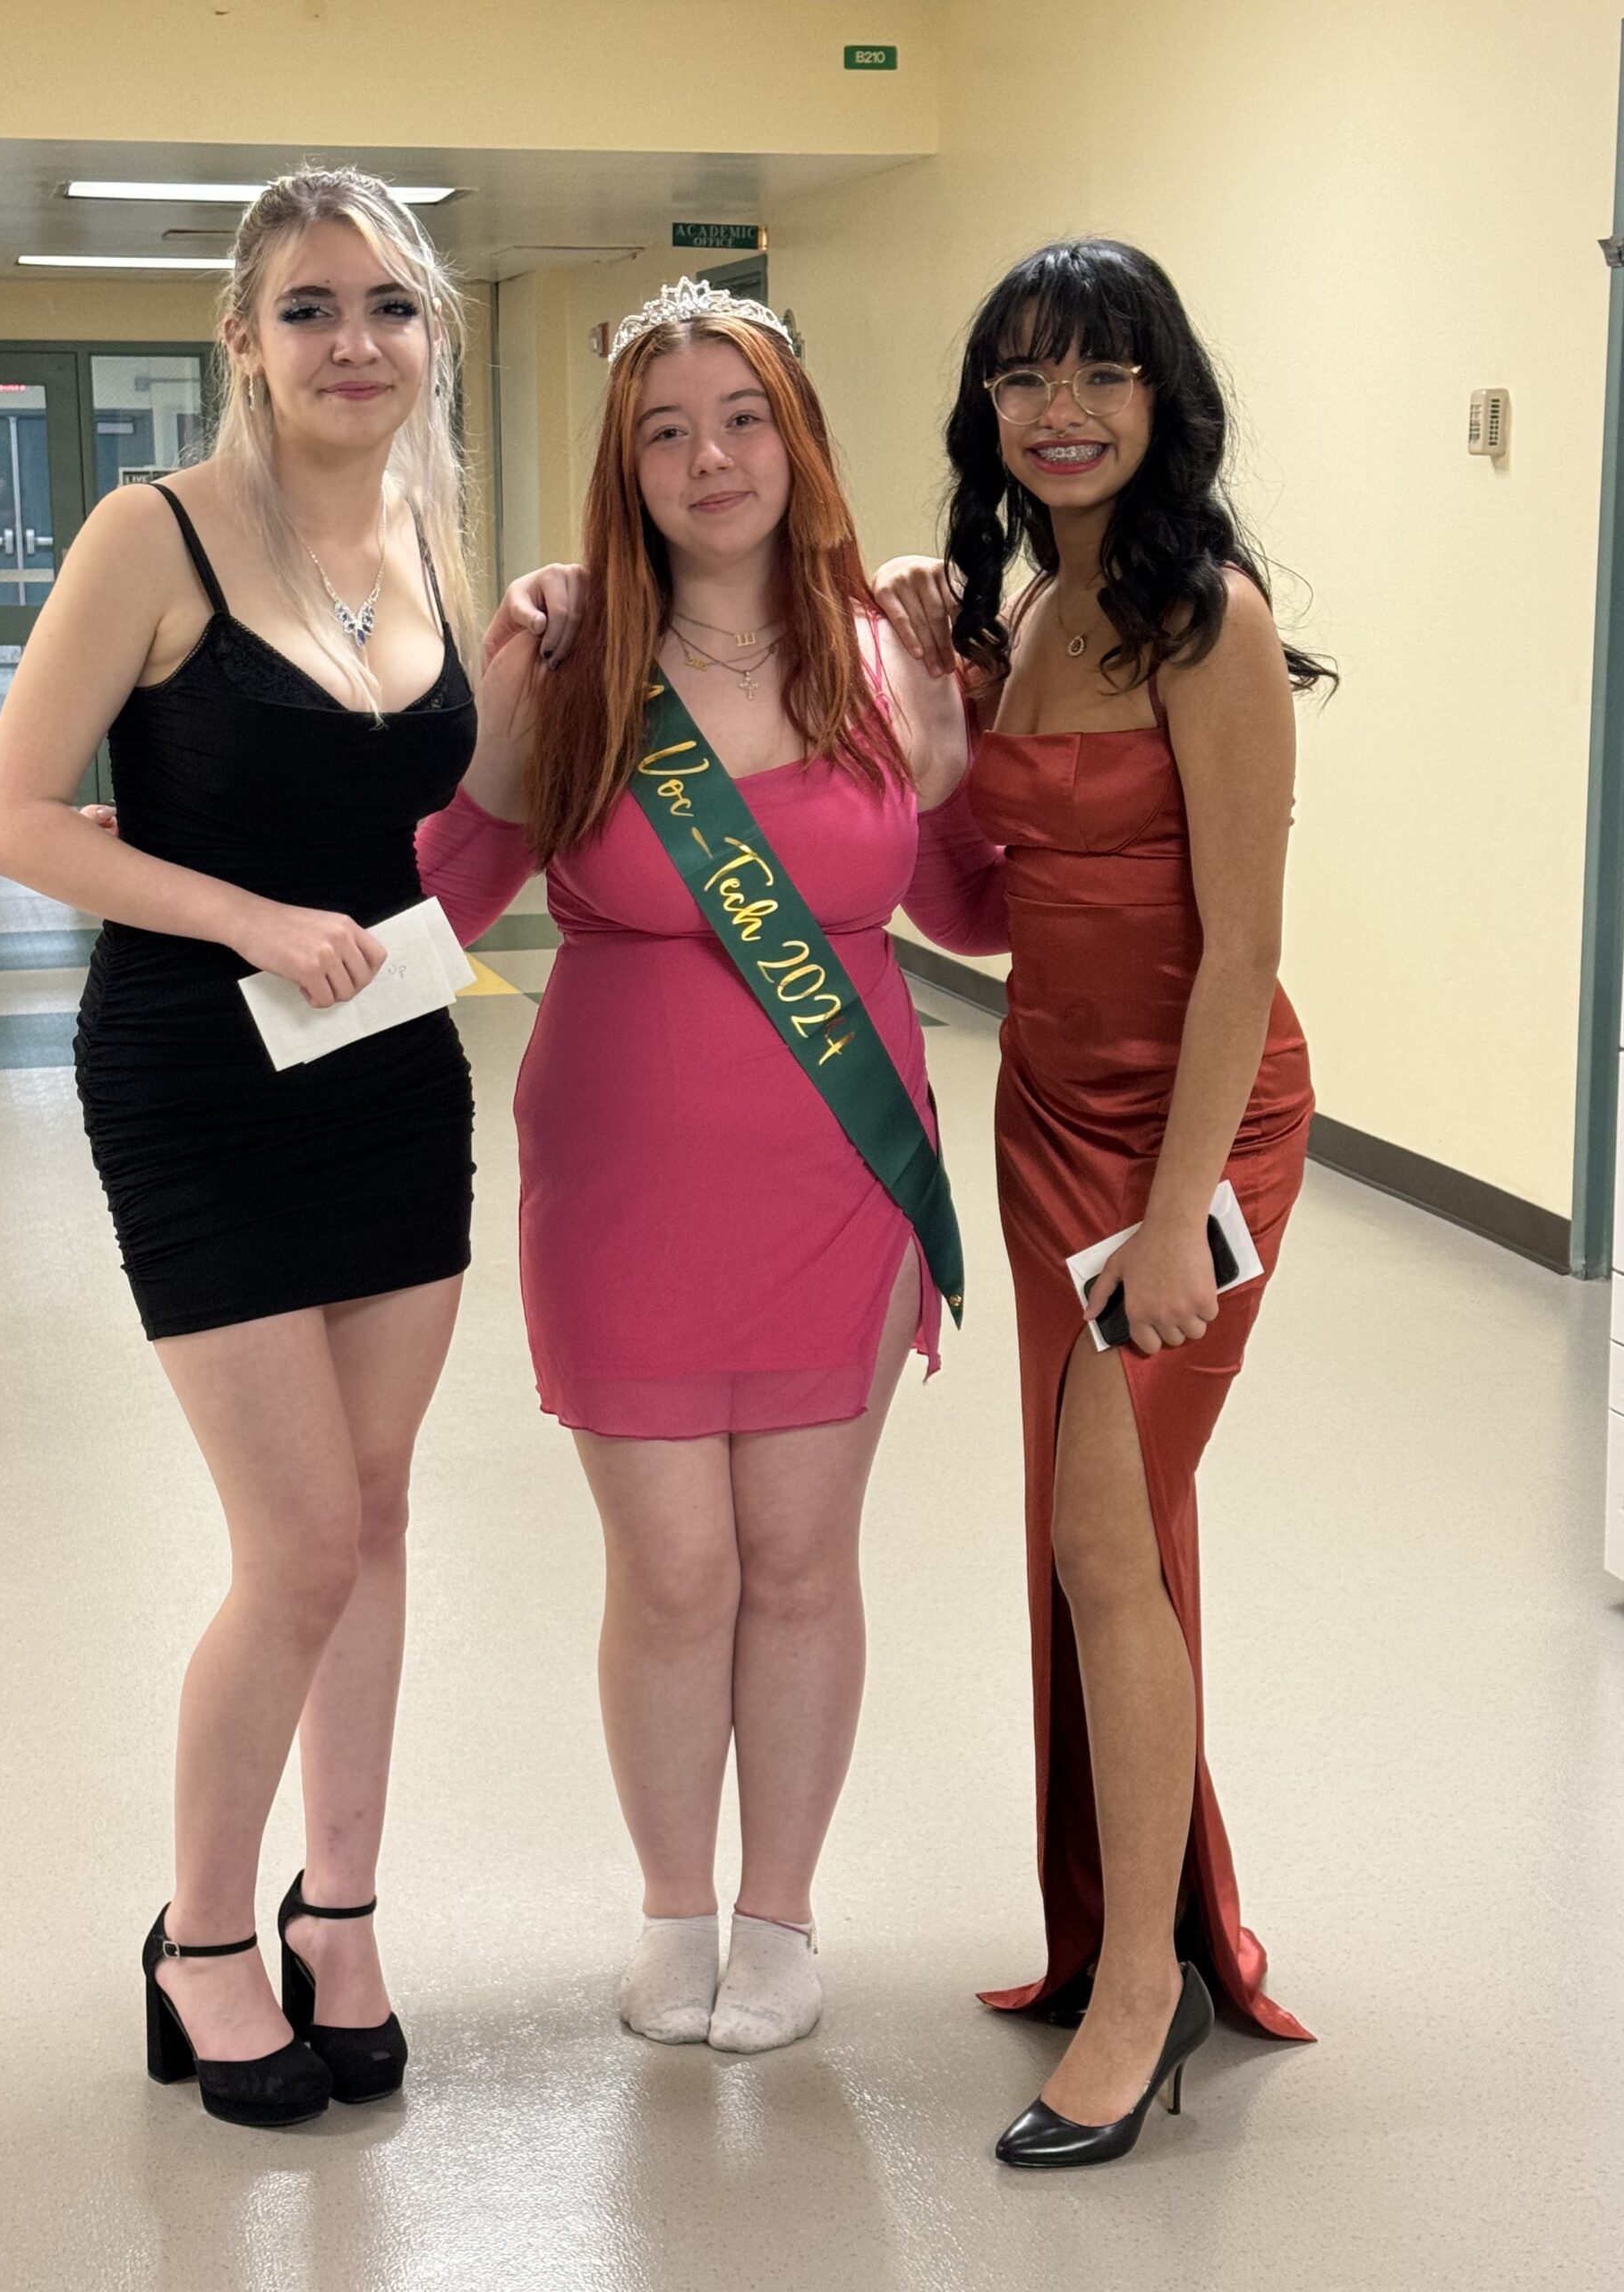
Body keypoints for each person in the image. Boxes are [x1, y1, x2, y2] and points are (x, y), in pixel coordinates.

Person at [0, 169, 483, 2127]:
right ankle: (200, 1935)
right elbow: (15, 820)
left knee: (384, 1515)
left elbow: (459, 807)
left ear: (428, 336)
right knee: (299, 1544)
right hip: (197, 1069)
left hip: (387, 1067)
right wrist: (250, 916)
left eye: (388, 307)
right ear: (244, 343)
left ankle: (336, 1906)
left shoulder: (432, 537)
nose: (354, 341)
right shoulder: (151, 531)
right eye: (308, 309)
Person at [417, 277, 969, 2054]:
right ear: (624, 463)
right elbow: (447, 880)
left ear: (796, 440)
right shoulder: (561, 654)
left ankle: (782, 1907)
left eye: (741, 417)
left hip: (843, 1161)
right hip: (626, 1172)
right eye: (666, 428)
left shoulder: (895, 652)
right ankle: (672, 1899)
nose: (709, 457)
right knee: (673, 1568)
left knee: (802, 1560)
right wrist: (211, 900)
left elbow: (985, 896)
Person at [886, 236, 1334, 2166]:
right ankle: (1112, 1928)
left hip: (1200, 1138)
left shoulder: (1203, 617)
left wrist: (1174, 1225)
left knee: (1100, 1530)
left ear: (1166, 398)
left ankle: (1143, 1989)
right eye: (1022, 382)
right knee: (1108, 1537)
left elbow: (1242, 948)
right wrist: (924, 698)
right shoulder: (1030, 614)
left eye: (1099, 374)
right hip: (1049, 1115)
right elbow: (979, 905)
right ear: (989, 419)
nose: (1059, 412)